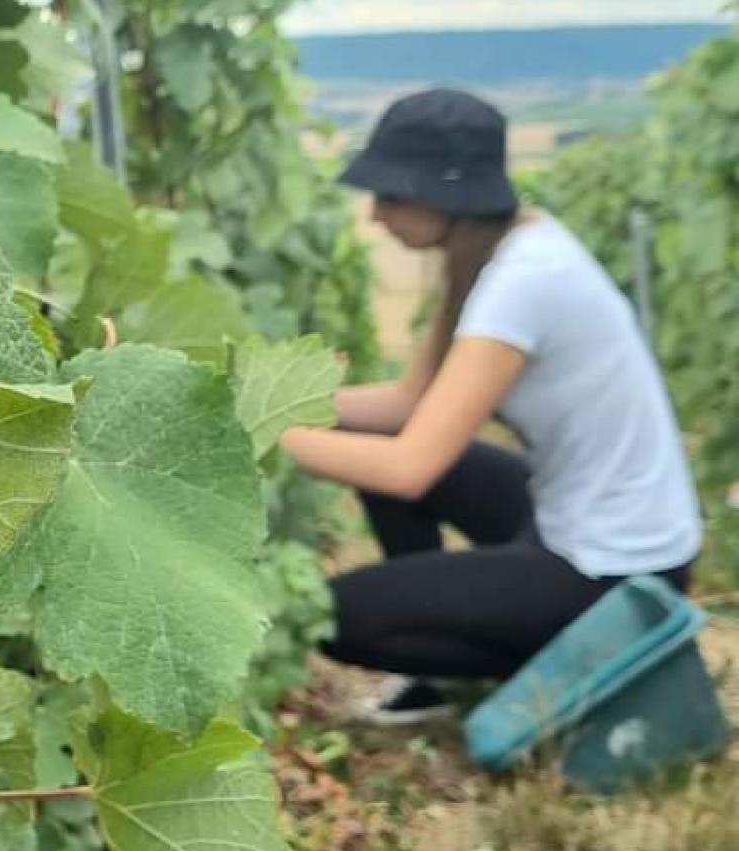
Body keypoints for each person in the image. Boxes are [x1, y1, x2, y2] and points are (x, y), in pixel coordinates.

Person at [280, 88, 701, 722]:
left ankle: (573, 660)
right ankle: (448, 669)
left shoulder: (523, 282)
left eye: (390, 195)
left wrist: (259, 433)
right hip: (584, 521)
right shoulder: (503, 247)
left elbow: (409, 464)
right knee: (381, 472)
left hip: (622, 573)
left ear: (444, 196)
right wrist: (284, 405)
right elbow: (407, 403)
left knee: (335, 615)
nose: (373, 215)